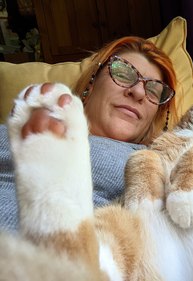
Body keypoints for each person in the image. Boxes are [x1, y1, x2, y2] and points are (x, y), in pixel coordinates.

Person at [0, 36, 179, 232]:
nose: (138, 92)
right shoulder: (16, 126)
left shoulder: (155, 163)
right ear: (91, 83)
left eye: (154, 90)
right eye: (123, 72)